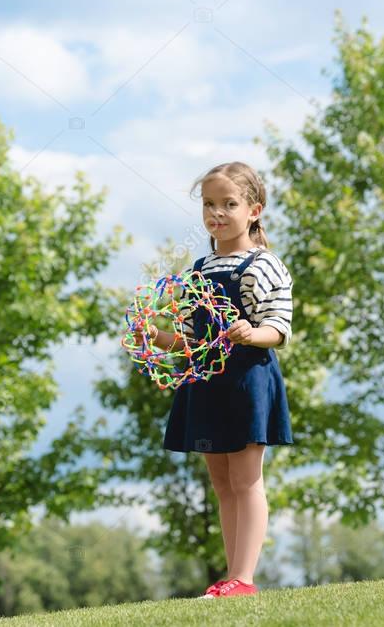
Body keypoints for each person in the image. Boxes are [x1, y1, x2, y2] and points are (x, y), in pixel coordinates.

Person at [137, 161, 293, 599]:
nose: (217, 213)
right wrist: (156, 336)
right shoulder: (200, 267)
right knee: (222, 484)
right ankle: (231, 575)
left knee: (247, 480)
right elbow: (189, 339)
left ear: (254, 210)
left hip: (246, 380)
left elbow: (278, 328)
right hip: (205, 381)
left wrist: (251, 332)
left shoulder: (264, 266)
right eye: (209, 204)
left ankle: (244, 579)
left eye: (229, 204)